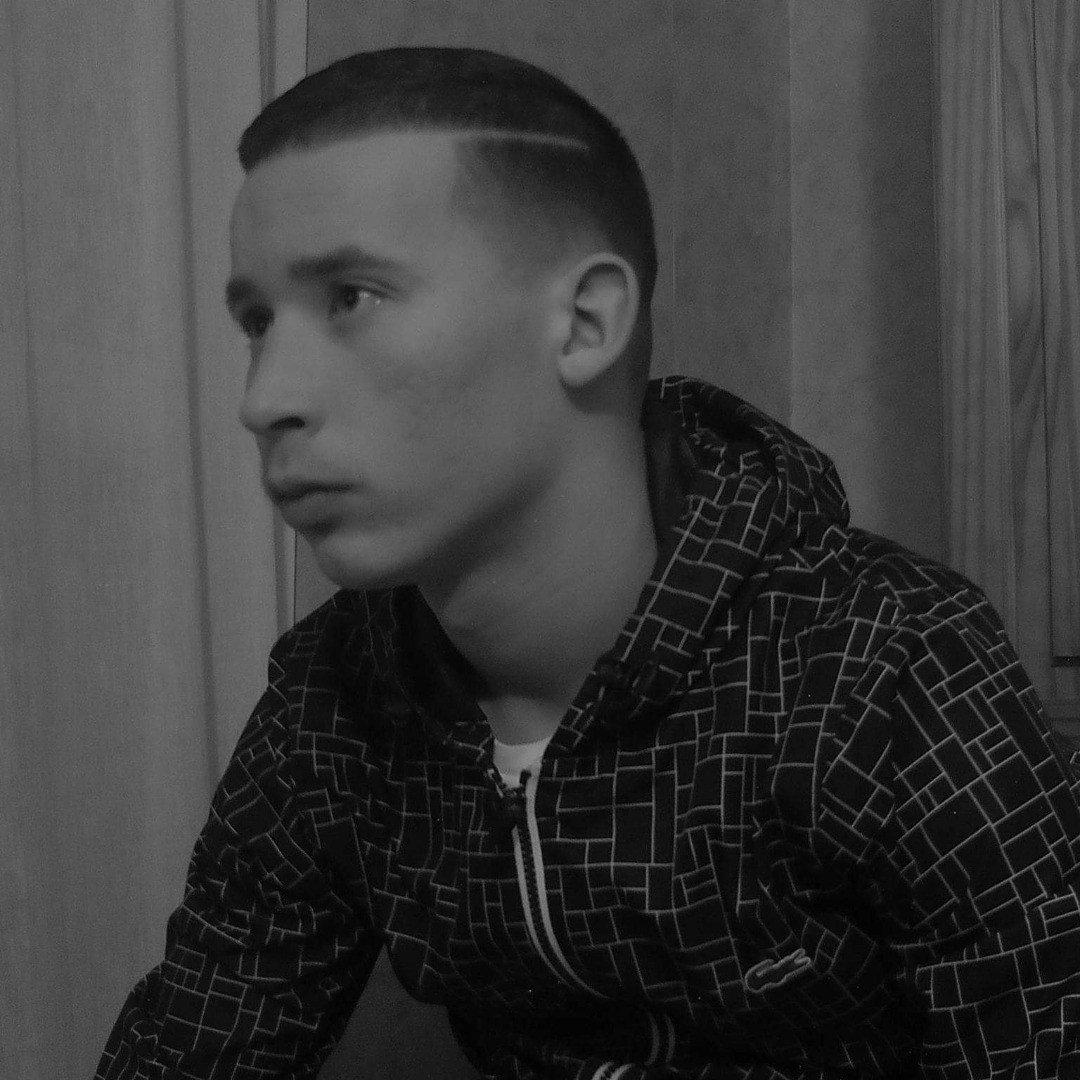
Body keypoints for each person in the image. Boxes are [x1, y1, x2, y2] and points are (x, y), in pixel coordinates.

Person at [95, 46, 1080, 1080]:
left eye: (352, 296)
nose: (263, 399)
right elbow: (199, 1038)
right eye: (257, 322)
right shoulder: (328, 705)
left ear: (584, 322)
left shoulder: (885, 661)